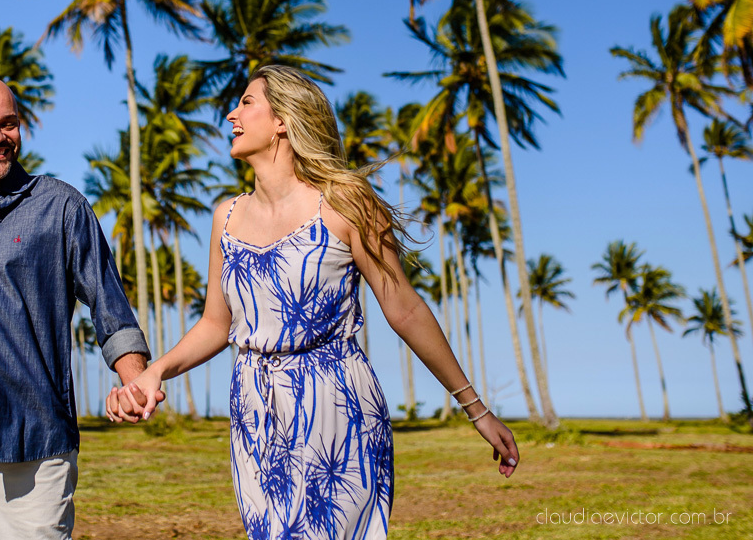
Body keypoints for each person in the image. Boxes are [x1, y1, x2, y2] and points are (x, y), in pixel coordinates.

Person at [108, 65, 519, 540]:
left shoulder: (346, 203)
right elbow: (217, 326)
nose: (231, 114)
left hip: (335, 406)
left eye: (246, 102)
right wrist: (156, 371)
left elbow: (405, 310)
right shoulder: (227, 216)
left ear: (283, 119)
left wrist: (477, 410)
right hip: (255, 412)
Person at [0, 76, 153, 540]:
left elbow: (109, 306)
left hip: (36, 450)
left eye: (8, 123)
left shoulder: (61, 208)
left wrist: (136, 380)